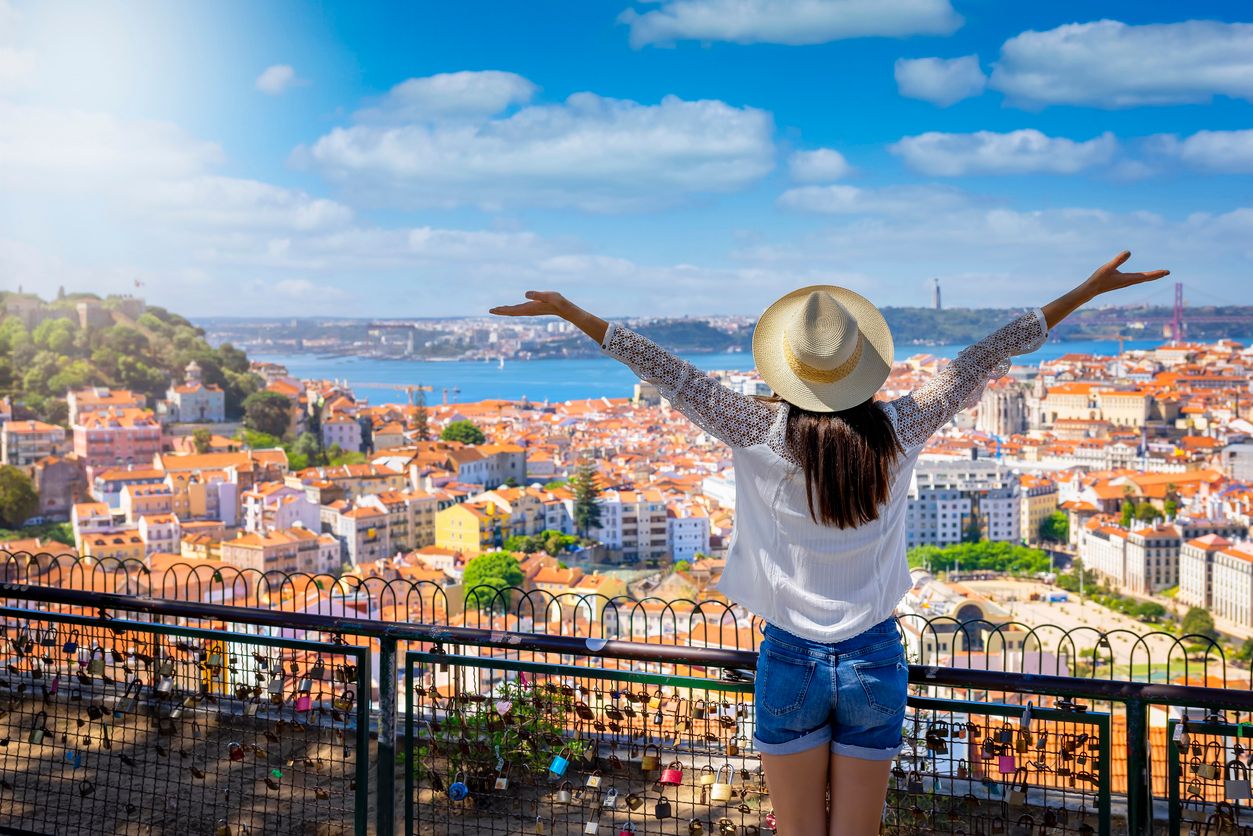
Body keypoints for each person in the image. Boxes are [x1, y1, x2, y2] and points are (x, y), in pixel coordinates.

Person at [490, 251, 1167, 836]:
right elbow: (982, 355)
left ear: (788, 369)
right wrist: (1084, 292)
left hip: (788, 656)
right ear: (860, 365)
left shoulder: (755, 430)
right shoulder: (900, 428)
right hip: (874, 654)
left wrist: (573, 312)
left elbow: (668, 371)